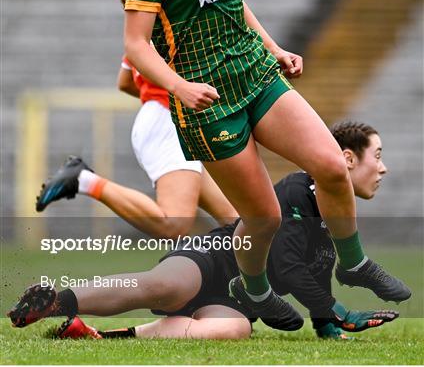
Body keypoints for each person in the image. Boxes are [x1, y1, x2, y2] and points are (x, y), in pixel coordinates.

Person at [119, 0, 410, 319]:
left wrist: (274, 49)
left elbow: (236, 4)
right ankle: (253, 289)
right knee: (263, 218)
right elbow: (135, 46)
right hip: (208, 102)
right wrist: (179, 86)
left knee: (332, 166)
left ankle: (354, 263)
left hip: (256, 77)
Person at [8, 121, 402, 340]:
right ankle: (54, 303)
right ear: (347, 159)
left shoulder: (334, 226)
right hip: (213, 259)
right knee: (166, 285)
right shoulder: (299, 190)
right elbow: (290, 266)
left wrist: (331, 327)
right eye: (378, 157)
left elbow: (314, 280)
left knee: (232, 331)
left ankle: (100, 336)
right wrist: (340, 311)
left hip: (238, 301)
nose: (383, 169)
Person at [35, 0, 238, 239]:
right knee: (174, 223)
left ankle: (237, 288)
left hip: (167, 119)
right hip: (168, 121)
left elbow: (126, 82)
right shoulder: (172, 6)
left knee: (238, 223)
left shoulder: (141, 11)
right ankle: (85, 179)